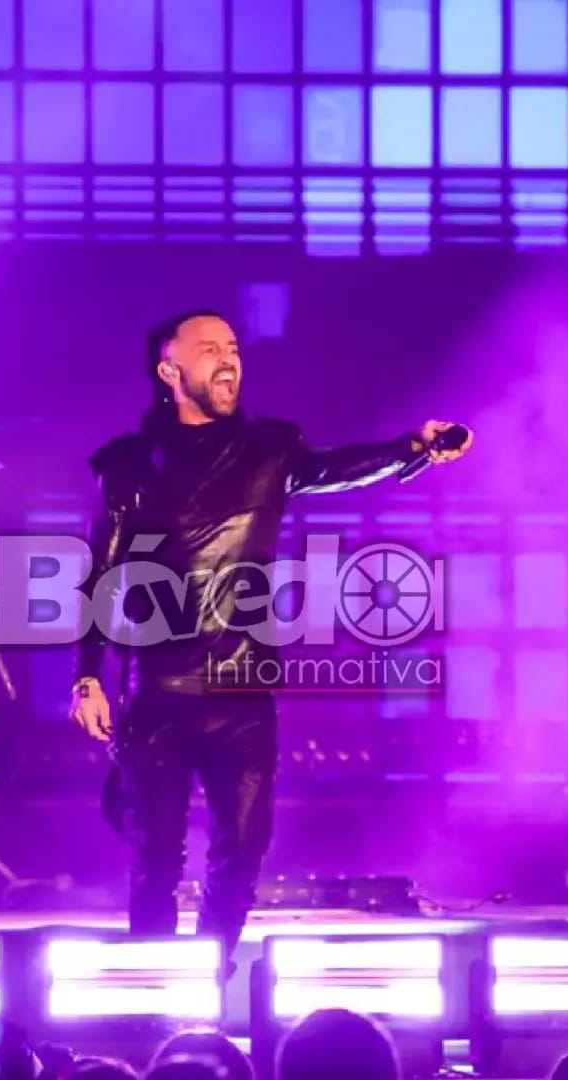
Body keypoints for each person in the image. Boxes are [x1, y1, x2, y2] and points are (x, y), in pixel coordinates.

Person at [69, 310, 471, 972]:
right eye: (209, 350)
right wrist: (87, 676)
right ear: (170, 372)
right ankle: (152, 990)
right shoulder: (129, 467)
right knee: (156, 857)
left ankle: (212, 971)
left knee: (242, 850)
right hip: (158, 694)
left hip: (241, 691)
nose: (228, 359)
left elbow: (338, 469)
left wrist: (413, 448)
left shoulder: (268, 450)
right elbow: (98, 575)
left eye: (232, 347)